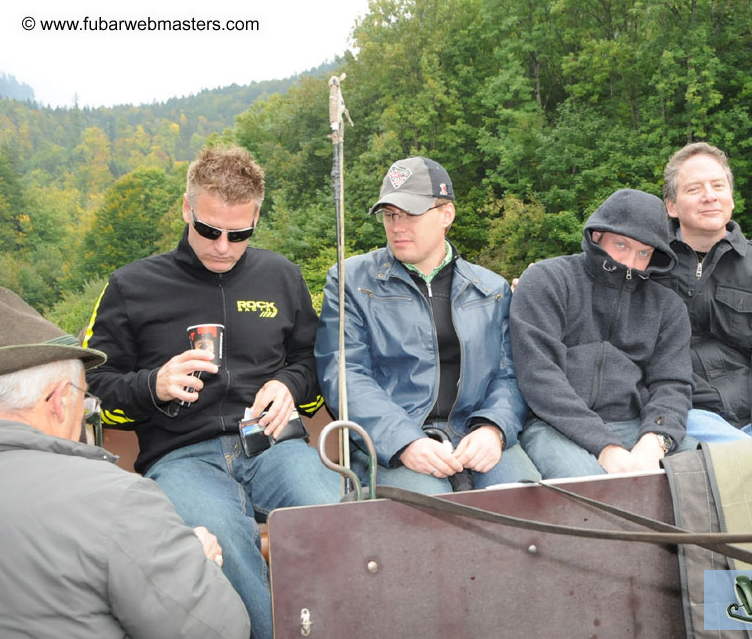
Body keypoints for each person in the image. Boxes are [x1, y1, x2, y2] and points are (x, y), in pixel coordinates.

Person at [84, 145, 340, 639]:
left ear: (256, 219)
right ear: (187, 210)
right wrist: (153, 385)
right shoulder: (132, 286)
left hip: (273, 444)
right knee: (220, 536)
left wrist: (288, 384)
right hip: (181, 456)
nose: (223, 246)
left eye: (240, 234)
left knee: (326, 512)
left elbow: (315, 362)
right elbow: (93, 386)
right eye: (208, 230)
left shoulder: (280, 276)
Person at [0, 286, 249, 639]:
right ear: (57, 400)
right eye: (84, 399)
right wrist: (195, 566)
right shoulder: (116, 500)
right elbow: (217, 630)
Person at [315, 156, 540, 494]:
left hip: (475, 434)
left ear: (446, 214)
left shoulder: (490, 289)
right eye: (390, 215)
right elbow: (345, 375)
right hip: (391, 443)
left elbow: (510, 374)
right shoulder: (352, 282)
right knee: (432, 522)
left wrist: (494, 428)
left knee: (526, 505)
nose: (397, 226)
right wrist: (405, 442)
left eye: (410, 214)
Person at [510, 189, 694, 478]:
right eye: (621, 245)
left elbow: (673, 383)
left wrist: (656, 440)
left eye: (644, 252)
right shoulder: (547, 280)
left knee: (703, 475)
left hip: (637, 424)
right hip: (555, 425)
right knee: (593, 491)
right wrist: (606, 447)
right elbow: (540, 376)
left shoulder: (668, 306)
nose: (630, 262)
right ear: (597, 236)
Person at [654, 142, 752, 440]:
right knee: (750, 463)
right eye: (694, 189)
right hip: (686, 413)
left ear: (731, 198)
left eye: (718, 185)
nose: (710, 196)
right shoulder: (648, 265)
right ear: (671, 206)